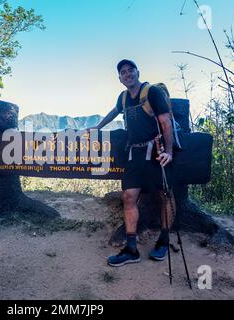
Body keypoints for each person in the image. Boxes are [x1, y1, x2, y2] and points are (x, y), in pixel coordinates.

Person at [93, 59, 176, 266]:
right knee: (129, 197)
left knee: (165, 195)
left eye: (131, 70)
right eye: (123, 72)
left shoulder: (152, 93)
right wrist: (97, 127)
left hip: (157, 152)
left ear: (138, 72)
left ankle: (164, 240)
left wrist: (170, 152)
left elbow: (166, 123)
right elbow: (115, 111)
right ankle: (131, 249)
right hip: (134, 153)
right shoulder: (123, 98)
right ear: (120, 78)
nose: (127, 74)